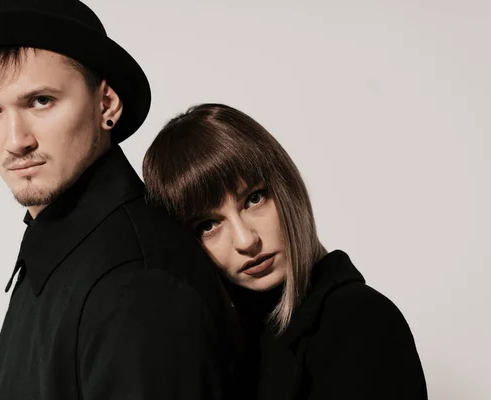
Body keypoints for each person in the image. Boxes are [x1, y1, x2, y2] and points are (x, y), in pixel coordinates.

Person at [0, 2, 240, 399]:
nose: (16, 141)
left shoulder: (136, 283)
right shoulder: (56, 254)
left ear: (106, 104)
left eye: (40, 101)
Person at [143, 103, 429, 400]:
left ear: (286, 187)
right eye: (208, 225)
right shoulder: (214, 346)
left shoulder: (360, 322)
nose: (245, 240)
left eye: (254, 199)